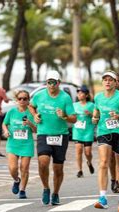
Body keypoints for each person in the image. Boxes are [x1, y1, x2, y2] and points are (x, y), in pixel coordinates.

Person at [29, 71, 77, 205]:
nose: (51, 85)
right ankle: (46, 188)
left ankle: (55, 193)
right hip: (44, 133)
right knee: (43, 162)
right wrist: (34, 115)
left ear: (58, 83)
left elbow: (74, 118)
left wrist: (65, 116)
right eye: (49, 82)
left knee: (57, 168)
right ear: (46, 83)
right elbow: (31, 106)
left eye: (54, 82)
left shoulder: (65, 98)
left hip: (61, 135)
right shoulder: (39, 96)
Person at [92, 71, 119, 209]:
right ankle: (102, 198)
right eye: (105, 80)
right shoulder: (98, 97)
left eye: (111, 80)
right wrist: (95, 118)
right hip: (104, 131)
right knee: (103, 162)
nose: (107, 82)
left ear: (116, 82)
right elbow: (96, 111)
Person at [2, 90, 36, 199]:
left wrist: (30, 123)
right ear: (16, 100)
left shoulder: (31, 113)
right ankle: (16, 180)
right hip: (13, 144)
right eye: (20, 98)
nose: (22, 100)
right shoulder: (11, 112)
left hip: (26, 144)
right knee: (13, 168)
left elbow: (36, 130)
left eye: (24, 98)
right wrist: (6, 131)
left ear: (28, 101)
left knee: (24, 168)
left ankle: (22, 190)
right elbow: (4, 124)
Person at [72, 86, 95, 178]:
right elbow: (70, 115)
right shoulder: (74, 105)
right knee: (78, 150)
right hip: (77, 131)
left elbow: (97, 115)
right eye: (78, 93)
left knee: (88, 152)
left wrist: (90, 114)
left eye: (81, 93)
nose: (79, 95)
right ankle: (80, 170)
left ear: (86, 95)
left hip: (88, 131)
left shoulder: (91, 105)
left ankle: (89, 162)